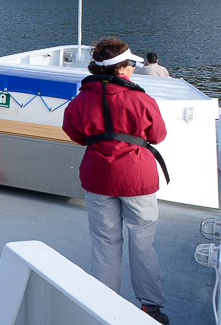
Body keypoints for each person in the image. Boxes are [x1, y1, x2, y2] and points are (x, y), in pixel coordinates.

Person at [62, 38, 169, 324]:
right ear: (121, 69)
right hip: (137, 179)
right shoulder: (141, 99)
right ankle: (150, 307)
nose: (134, 69)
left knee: (105, 242)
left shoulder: (80, 99)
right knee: (142, 242)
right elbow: (157, 135)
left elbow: (74, 133)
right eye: (131, 64)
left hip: (99, 178)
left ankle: (105, 305)